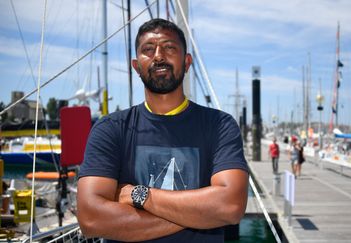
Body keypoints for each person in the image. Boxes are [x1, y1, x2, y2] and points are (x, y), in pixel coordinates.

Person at [76, 18, 249, 242]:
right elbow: (91, 220)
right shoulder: (110, 129)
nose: (158, 56)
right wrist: (202, 212)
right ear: (136, 66)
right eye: (148, 49)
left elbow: (231, 205)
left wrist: (140, 195)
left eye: (169, 47)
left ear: (187, 63)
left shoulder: (219, 125)